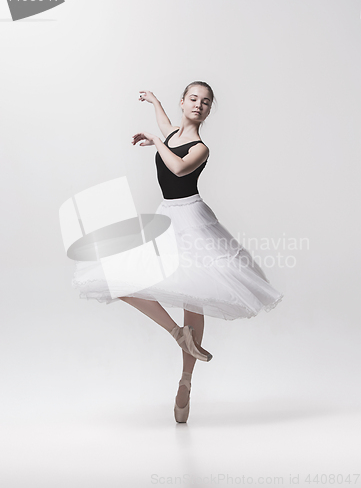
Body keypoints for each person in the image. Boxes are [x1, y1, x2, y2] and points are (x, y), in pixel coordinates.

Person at [71, 81, 284, 424]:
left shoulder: (200, 147)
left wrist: (156, 141)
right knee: (119, 281)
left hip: (193, 219)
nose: (199, 105)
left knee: (192, 297)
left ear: (209, 111)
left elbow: (178, 168)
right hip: (167, 217)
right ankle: (177, 334)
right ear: (183, 102)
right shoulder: (171, 132)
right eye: (194, 99)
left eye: (206, 102)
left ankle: (186, 382)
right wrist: (154, 100)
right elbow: (165, 127)